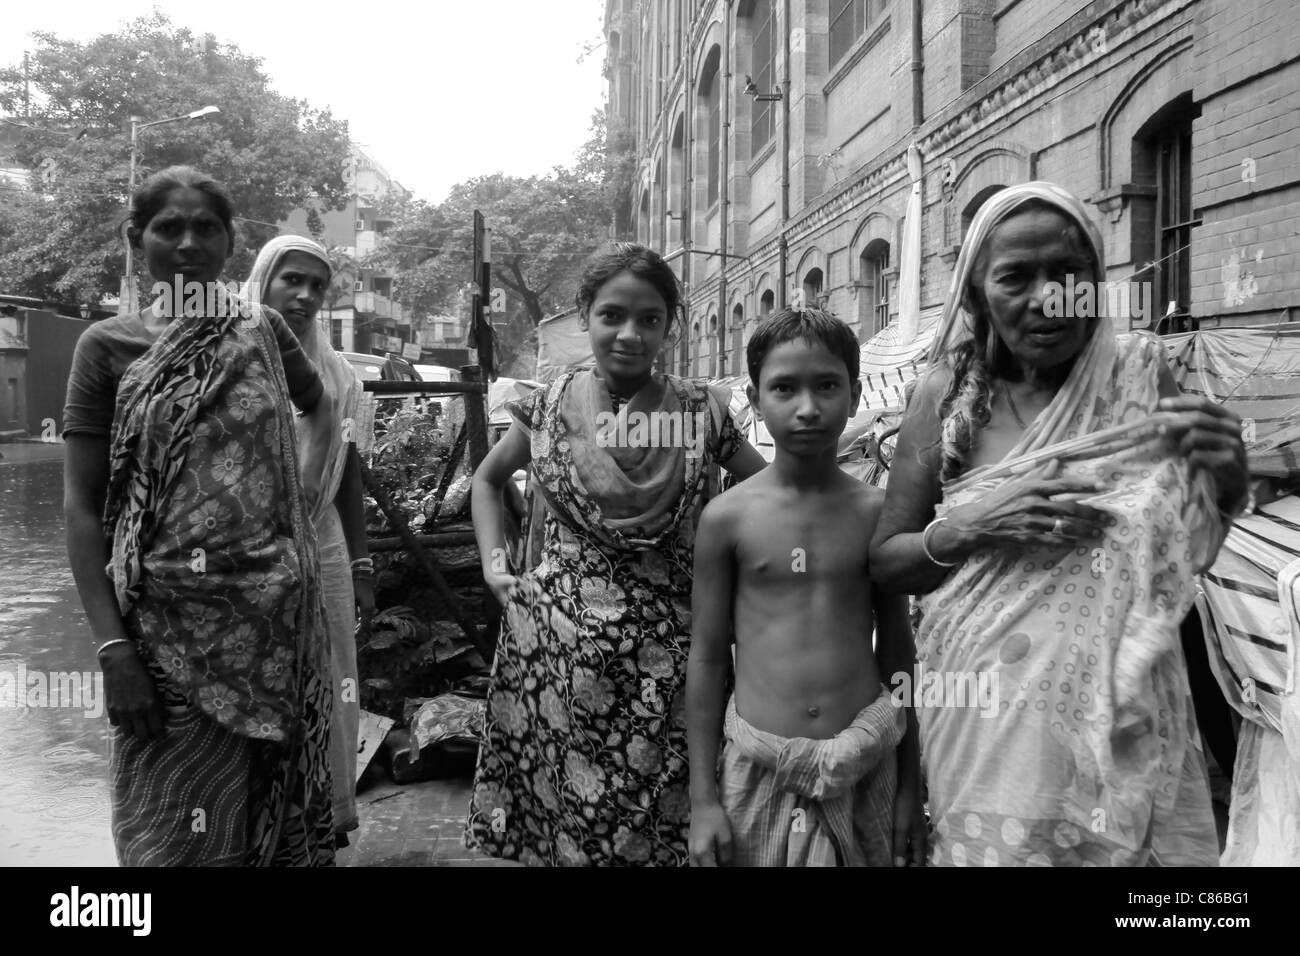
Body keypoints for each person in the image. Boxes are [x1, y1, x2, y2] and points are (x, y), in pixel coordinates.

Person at [869, 181, 1250, 866]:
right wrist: (978, 522)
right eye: (1016, 276)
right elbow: (887, 562)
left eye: (1069, 273)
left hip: (1124, 719)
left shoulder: (1136, 372)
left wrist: (1227, 478)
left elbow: (1184, 548)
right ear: (978, 291)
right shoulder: (945, 395)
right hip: (985, 720)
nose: (1050, 297)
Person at [63, 166, 337, 866]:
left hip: (272, 623)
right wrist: (111, 649)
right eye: (168, 227)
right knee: (163, 833)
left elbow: (319, 407)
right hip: (157, 635)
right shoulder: (108, 347)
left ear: (229, 241)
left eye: (206, 227)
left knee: (264, 824)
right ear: (137, 239)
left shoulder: (264, 330)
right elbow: (81, 507)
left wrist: (300, 507)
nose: (188, 242)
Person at [464, 242, 767, 865]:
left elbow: (766, 492)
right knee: (569, 823)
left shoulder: (700, 413)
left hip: (674, 662)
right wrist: (498, 568)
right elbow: (487, 483)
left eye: (649, 319)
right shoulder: (547, 407)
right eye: (612, 316)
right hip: (555, 652)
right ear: (586, 316)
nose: (630, 334)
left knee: (671, 827)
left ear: (669, 325)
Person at [686, 308, 923, 867]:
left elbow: (897, 649)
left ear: (855, 391)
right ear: (753, 397)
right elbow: (708, 659)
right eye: (785, 388)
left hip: (868, 760)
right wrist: (702, 798)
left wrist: (912, 783)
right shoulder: (727, 518)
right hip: (760, 768)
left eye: (826, 386)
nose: (809, 408)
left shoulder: (879, 513)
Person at [244, 234, 373, 846]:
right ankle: (245, 834)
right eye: (290, 279)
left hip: (320, 547)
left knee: (328, 685)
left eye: (317, 286)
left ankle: (315, 826)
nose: (304, 295)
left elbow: (345, 476)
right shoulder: (230, 359)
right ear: (261, 282)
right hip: (239, 554)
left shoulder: (338, 375)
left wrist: (363, 562)